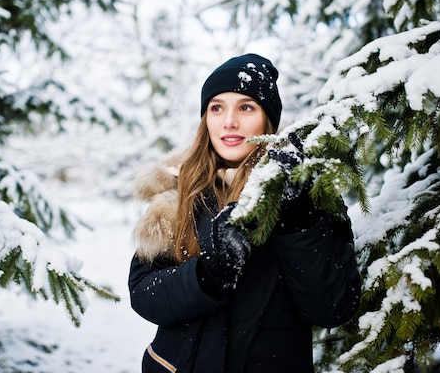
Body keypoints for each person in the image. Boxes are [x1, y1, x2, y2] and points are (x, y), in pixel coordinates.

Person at [128, 53, 361, 373]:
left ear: (268, 120)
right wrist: (207, 276)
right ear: (205, 119)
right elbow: (144, 294)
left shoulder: (308, 193)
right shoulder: (177, 194)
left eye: (246, 107)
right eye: (217, 107)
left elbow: (333, 308)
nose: (229, 122)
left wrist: (297, 222)